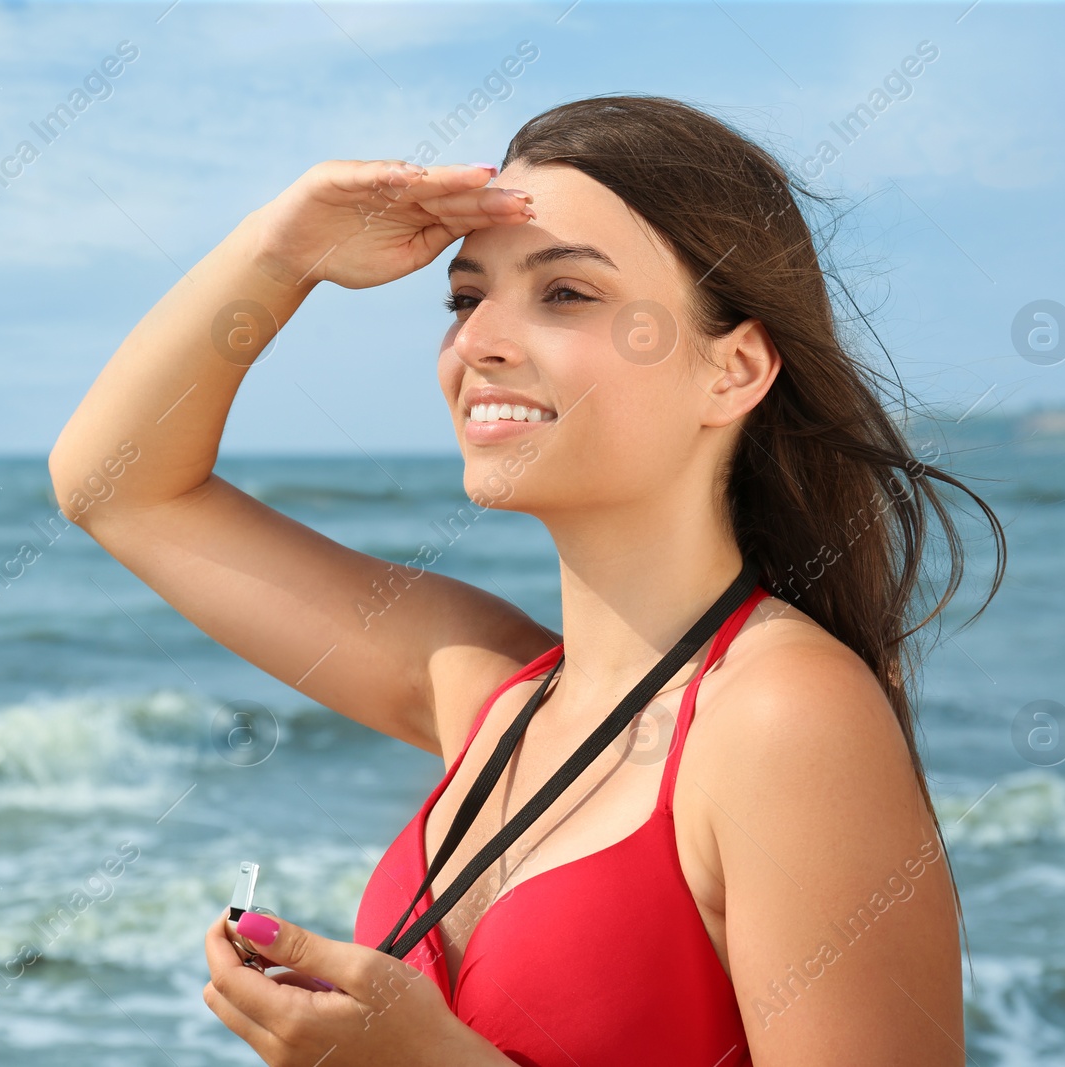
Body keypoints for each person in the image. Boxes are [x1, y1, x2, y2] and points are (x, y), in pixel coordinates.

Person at [49, 93, 1004, 1066]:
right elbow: (115, 488)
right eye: (466, 297)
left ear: (734, 367)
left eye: (565, 294)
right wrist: (278, 250)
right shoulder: (486, 689)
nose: (478, 343)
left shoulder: (782, 717)